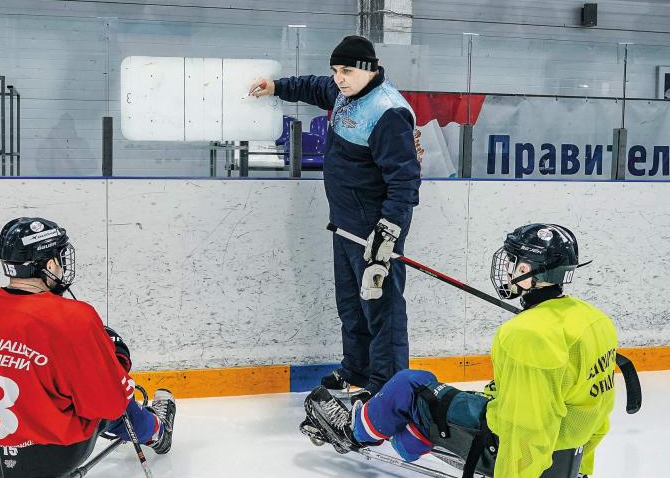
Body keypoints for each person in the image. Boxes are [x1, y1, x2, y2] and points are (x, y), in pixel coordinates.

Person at [302, 223, 618, 478]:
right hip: (566, 453)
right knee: (434, 405)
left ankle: (352, 431)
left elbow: (528, 429)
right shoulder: (594, 321)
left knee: (408, 384)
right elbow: (597, 409)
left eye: (513, 261)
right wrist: (579, 468)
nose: (507, 268)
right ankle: (408, 438)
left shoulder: (525, 334)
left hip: (507, 448)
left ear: (528, 269)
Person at [249, 35, 421, 398]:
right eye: (335, 71)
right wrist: (277, 86)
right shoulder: (347, 92)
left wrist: (387, 235)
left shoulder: (388, 111)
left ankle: (387, 387)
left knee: (381, 307)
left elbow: (404, 180)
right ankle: (357, 369)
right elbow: (315, 87)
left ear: (368, 68)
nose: (339, 78)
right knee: (351, 303)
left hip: (374, 230)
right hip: (344, 224)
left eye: (345, 71)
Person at [0, 217, 176, 478]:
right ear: (50, 264)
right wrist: (117, 360)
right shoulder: (73, 317)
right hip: (57, 456)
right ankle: (157, 430)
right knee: (117, 397)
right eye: (59, 257)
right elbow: (110, 404)